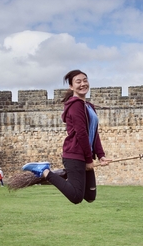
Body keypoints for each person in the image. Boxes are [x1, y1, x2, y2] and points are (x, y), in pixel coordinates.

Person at [22, 69, 111, 204]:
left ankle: (66, 174)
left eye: (85, 80)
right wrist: (88, 160)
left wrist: (101, 155)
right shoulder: (76, 105)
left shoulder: (89, 106)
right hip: (75, 154)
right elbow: (82, 134)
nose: (83, 84)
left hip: (84, 155)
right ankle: (45, 171)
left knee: (90, 196)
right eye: (78, 82)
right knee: (76, 198)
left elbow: (94, 132)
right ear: (71, 86)